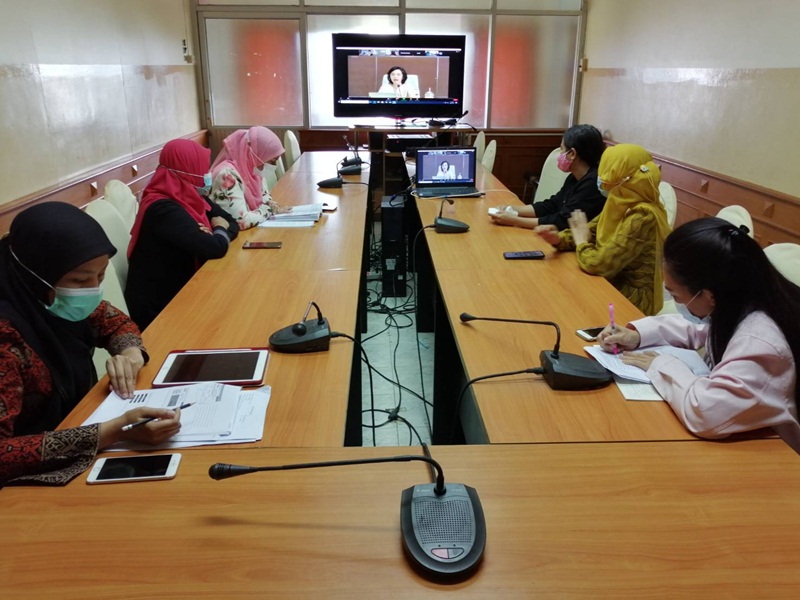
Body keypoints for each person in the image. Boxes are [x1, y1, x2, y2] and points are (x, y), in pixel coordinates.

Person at [0, 202, 182, 485]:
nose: (94, 290)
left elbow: (115, 323)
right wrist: (115, 431)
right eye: (80, 280)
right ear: (35, 275)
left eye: (101, 276)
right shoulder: (6, 337)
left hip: (79, 423)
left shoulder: (51, 301)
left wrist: (131, 355)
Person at [598, 217, 800, 453]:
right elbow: (702, 329)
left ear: (708, 295)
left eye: (676, 295)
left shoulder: (761, 343)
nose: (677, 302)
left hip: (776, 455)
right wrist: (638, 336)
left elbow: (703, 412)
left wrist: (660, 364)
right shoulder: (742, 297)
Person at [537, 143, 671, 315]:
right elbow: (591, 230)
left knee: (566, 308)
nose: (601, 178)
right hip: (608, 283)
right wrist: (559, 238)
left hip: (631, 301)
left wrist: (581, 242)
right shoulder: (619, 200)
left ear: (622, 177)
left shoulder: (642, 216)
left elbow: (599, 264)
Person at [125, 138, 238, 331]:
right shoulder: (163, 209)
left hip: (185, 289)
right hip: (161, 311)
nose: (207, 174)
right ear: (187, 169)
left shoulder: (191, 195)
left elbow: (231, 222)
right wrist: (218, 229)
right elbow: (215, 248)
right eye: (202, 168)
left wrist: (213, 233)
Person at [490, 124, 606, 230]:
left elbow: (562, 222)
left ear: (572, 154)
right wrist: (512, 209)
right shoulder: (574, 177)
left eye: (562, 149)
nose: (560, 154)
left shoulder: (592, 185)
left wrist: (515, 220)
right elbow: (552, 205)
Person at [209, 126, 290, 230]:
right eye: (272, 161)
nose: (273, 166)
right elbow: (242, 221)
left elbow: (263, 194)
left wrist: (270, 203)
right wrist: (269, 210)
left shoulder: (252, 167)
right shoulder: (227, 176)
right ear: (256, 153)